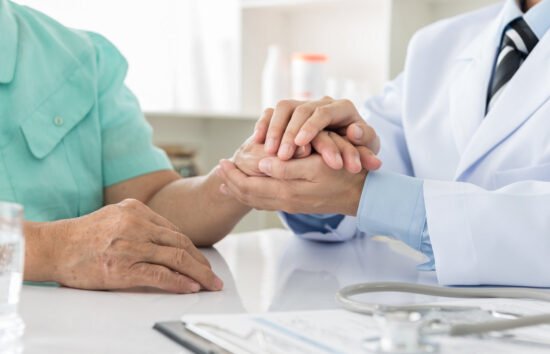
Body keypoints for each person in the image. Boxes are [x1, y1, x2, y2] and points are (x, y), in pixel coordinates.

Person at [0, 0, 375, 293]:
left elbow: (152, 203)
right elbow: (65, 248)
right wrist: (52, 249)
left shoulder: (80, 58)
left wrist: (246, 174)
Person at [218, 0, 550, 287]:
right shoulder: (438, 43)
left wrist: (362, 195)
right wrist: (314, 157)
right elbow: (379, 154)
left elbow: (369, 193)